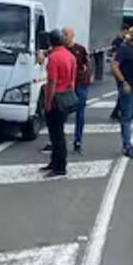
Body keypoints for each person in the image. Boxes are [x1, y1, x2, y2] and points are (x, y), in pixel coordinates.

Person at [42, 30, 76, 177]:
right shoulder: (70, 56)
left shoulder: (53, 58)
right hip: (66, 97)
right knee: (58, 132)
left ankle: (60, 166)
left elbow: (52, 82)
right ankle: (55, 162)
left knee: (56, 135)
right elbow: (73, 80)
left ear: (51, 42)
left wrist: (48, 102)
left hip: (56, 98)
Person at [112, 24, 133, 159]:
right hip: (127, 85)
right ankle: (127, 145)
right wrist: (123, 82)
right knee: (126, 116)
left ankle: (128, 144)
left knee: (130, 114)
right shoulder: (124, 49)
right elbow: (115, 66)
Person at [64, 27, 92, 154]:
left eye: (66, 34)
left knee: (80, 114)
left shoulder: (80, 49)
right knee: (61, 113)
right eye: (63, 34)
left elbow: (88, 65)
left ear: (72, 35)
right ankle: (56, 140)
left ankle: (78, 141)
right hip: (65, 86)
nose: (64, 37)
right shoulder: (60, 49)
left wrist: (84, 79)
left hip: (80, 85)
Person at [108, 24, 129, 120]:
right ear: (122, 30)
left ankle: (116, 112)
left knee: (122, 92)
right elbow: (112, 54)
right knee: (122, 92)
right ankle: (116, 112)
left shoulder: (125, 41)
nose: (125, 33)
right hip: (117, 68)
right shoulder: (117, 42)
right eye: (125, 31)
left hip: (123, 68)